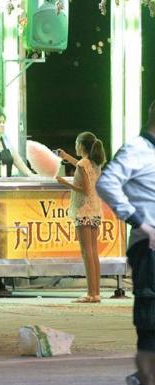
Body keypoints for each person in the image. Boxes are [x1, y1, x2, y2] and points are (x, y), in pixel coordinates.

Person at [96, 100, 155, 385]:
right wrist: (139, 221)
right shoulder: (136, 150)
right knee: (150, 318)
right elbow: (106, 183)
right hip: (149, 247)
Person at [56, 132, 106, 303]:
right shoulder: (94, 162)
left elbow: (84, 189)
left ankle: (91, 293)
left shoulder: (83, 164)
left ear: (82, 146)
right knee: (93, 252)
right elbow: (80, 165)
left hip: (83, 210)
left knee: (87, 252)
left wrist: (64, 183)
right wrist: (65, 156)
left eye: (77, 143)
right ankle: (96, 292)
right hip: (95, 209)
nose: (75, 146)